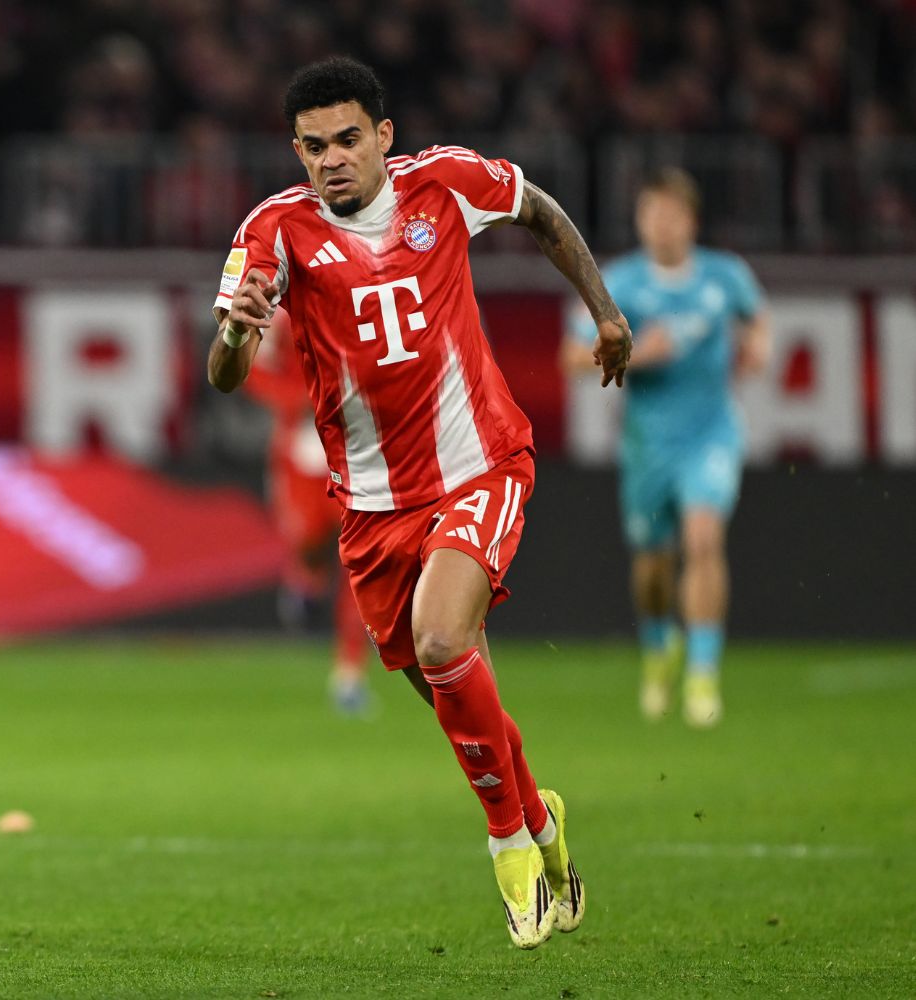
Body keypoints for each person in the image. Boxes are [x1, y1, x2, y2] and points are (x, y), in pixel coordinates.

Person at [206, 56, 631, 949]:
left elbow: (543, 213)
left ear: (383, 137)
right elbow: (226, 374)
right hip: (370, 508)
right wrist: (239, 332)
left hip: (481, 464)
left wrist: (606, 313)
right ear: (297, 150)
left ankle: (509, 843)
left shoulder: (445, 182)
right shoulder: (272, 232)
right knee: (451, 691)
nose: (332, 158)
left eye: (348, 139)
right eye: (314, 145)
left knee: (445, 640)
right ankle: (543, 819)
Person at [562, 168, 771, 728]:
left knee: (704, 539)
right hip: (647, 444)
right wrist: (634, 354)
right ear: (640, 221)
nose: (661, 224)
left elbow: (758, 320)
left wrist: (758, 346)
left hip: (712, 434)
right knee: (654, 566)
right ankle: (659, 649)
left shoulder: (724, 276)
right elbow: (570, 356)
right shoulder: (620, 284)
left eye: (672, 214)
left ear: (691, 221)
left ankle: (703, 675)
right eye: (651, 213)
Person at [243, 311, 374, 715]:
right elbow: (248, 370)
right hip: (298, 459)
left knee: (359, 567)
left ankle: (349, 673)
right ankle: (306, 582)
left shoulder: (355, 299)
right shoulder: (279, 312)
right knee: (311, 552)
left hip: (352, 456)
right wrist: (296, 400)